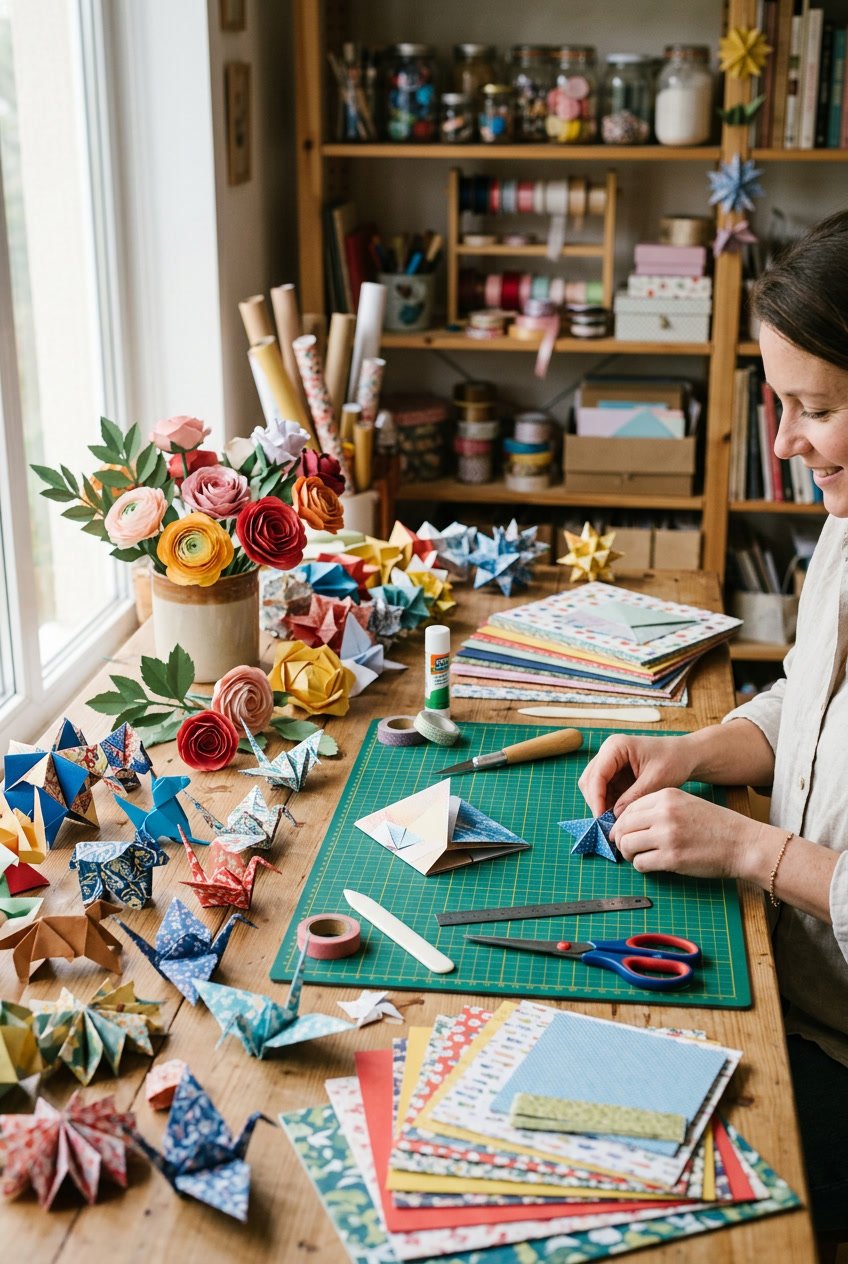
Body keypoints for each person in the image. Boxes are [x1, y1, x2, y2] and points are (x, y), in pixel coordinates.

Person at [579, 207, 848, 1245]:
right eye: (775, 405)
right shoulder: (841, 527)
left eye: (812, 409)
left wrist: (747, 846)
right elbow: (803, 702)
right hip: (796, 992)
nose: (779, 443)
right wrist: (690, 750)